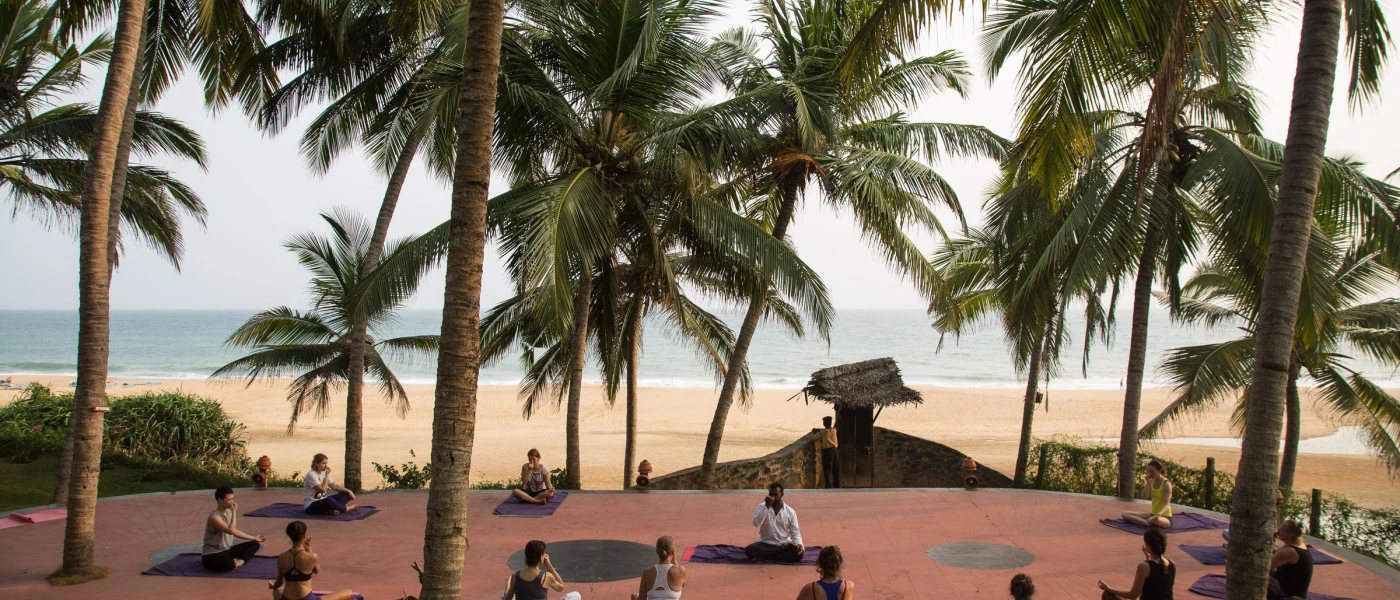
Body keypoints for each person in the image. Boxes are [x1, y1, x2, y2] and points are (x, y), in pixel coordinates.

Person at [267, 521, 357, 600]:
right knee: (349, 592)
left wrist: (273, 586)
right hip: (306, 598)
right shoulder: (312, 556)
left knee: (276, 591)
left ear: (289, 536)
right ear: (304, 536)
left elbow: (279, 581)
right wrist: (309, 549)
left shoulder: (282, 557)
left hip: (287, 598)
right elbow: (316, 570)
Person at [1097, 527, 1175, 600]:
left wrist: (1109, 588)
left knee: (1108, 595)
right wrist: (1148, 557)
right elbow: (1155, 583)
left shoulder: (1143, 566)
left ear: (1148, 545)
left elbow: (1133, 595)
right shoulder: (1172, 564)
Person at [203, 487, 267, 572]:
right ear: (220, 500)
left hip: (226, 550)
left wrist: (253, 537)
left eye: (233, 499)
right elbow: (231, 531)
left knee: (255, 544)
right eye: (229, 500)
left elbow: (235, 530)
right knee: (227, 563)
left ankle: (240, 561)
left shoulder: (228, 512)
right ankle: (233, 563)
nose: (232, 502)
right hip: (212, 555)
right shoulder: (214, 517)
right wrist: (234, 512)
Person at [745, 482, 805, 563]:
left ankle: (766, 557)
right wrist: (766, 506)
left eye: (776, 494)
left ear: (782, 495)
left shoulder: (790, 512)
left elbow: (795, 534)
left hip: (783, 543)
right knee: (749, 550)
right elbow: (756, 523)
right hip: (765, 543)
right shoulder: (762, 506)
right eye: (771, 494)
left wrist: (800, 545)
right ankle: (777, 554)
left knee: (799, 554)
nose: (773, 497)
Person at [631, 535, 688, 600]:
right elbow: (682, 585)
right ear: (672, 552)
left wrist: (634, 597)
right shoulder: (681, 571)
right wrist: (674, 561)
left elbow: (642, 598)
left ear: (657, 551)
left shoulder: (647, 573)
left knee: (634, 596)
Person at [1268, 520, 1313, 600]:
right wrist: (1273, 540)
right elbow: (1277, 553)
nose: (1278, 531)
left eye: (1281, 530)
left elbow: (1263, 567)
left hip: (1288, 595)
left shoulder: (1290, 552)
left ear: (1289, 534)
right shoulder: (1299, 545)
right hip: (1292, 588)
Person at [1121, 460, 1172, 529]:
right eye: (1148, 471)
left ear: (1159, 470)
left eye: (1152, 471)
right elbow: (1144, 497)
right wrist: (1147, 483)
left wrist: (1159, 514)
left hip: (1164, 516)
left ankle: (1147, 522)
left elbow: (1166, 504)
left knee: (1154, 520)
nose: (1150, 473)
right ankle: (1146, 523)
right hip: (1152, 514)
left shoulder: (1166, 484)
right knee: (1125, 514)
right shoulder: (1151, 482)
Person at [818, 416, 840, 489]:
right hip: (835, 450)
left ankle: (828, 486)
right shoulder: (834, 430)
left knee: (827, 470)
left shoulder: (822, 432)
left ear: (824, 423)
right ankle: (837, 486)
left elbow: (814, 438)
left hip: (827, 452)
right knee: (835, 469)